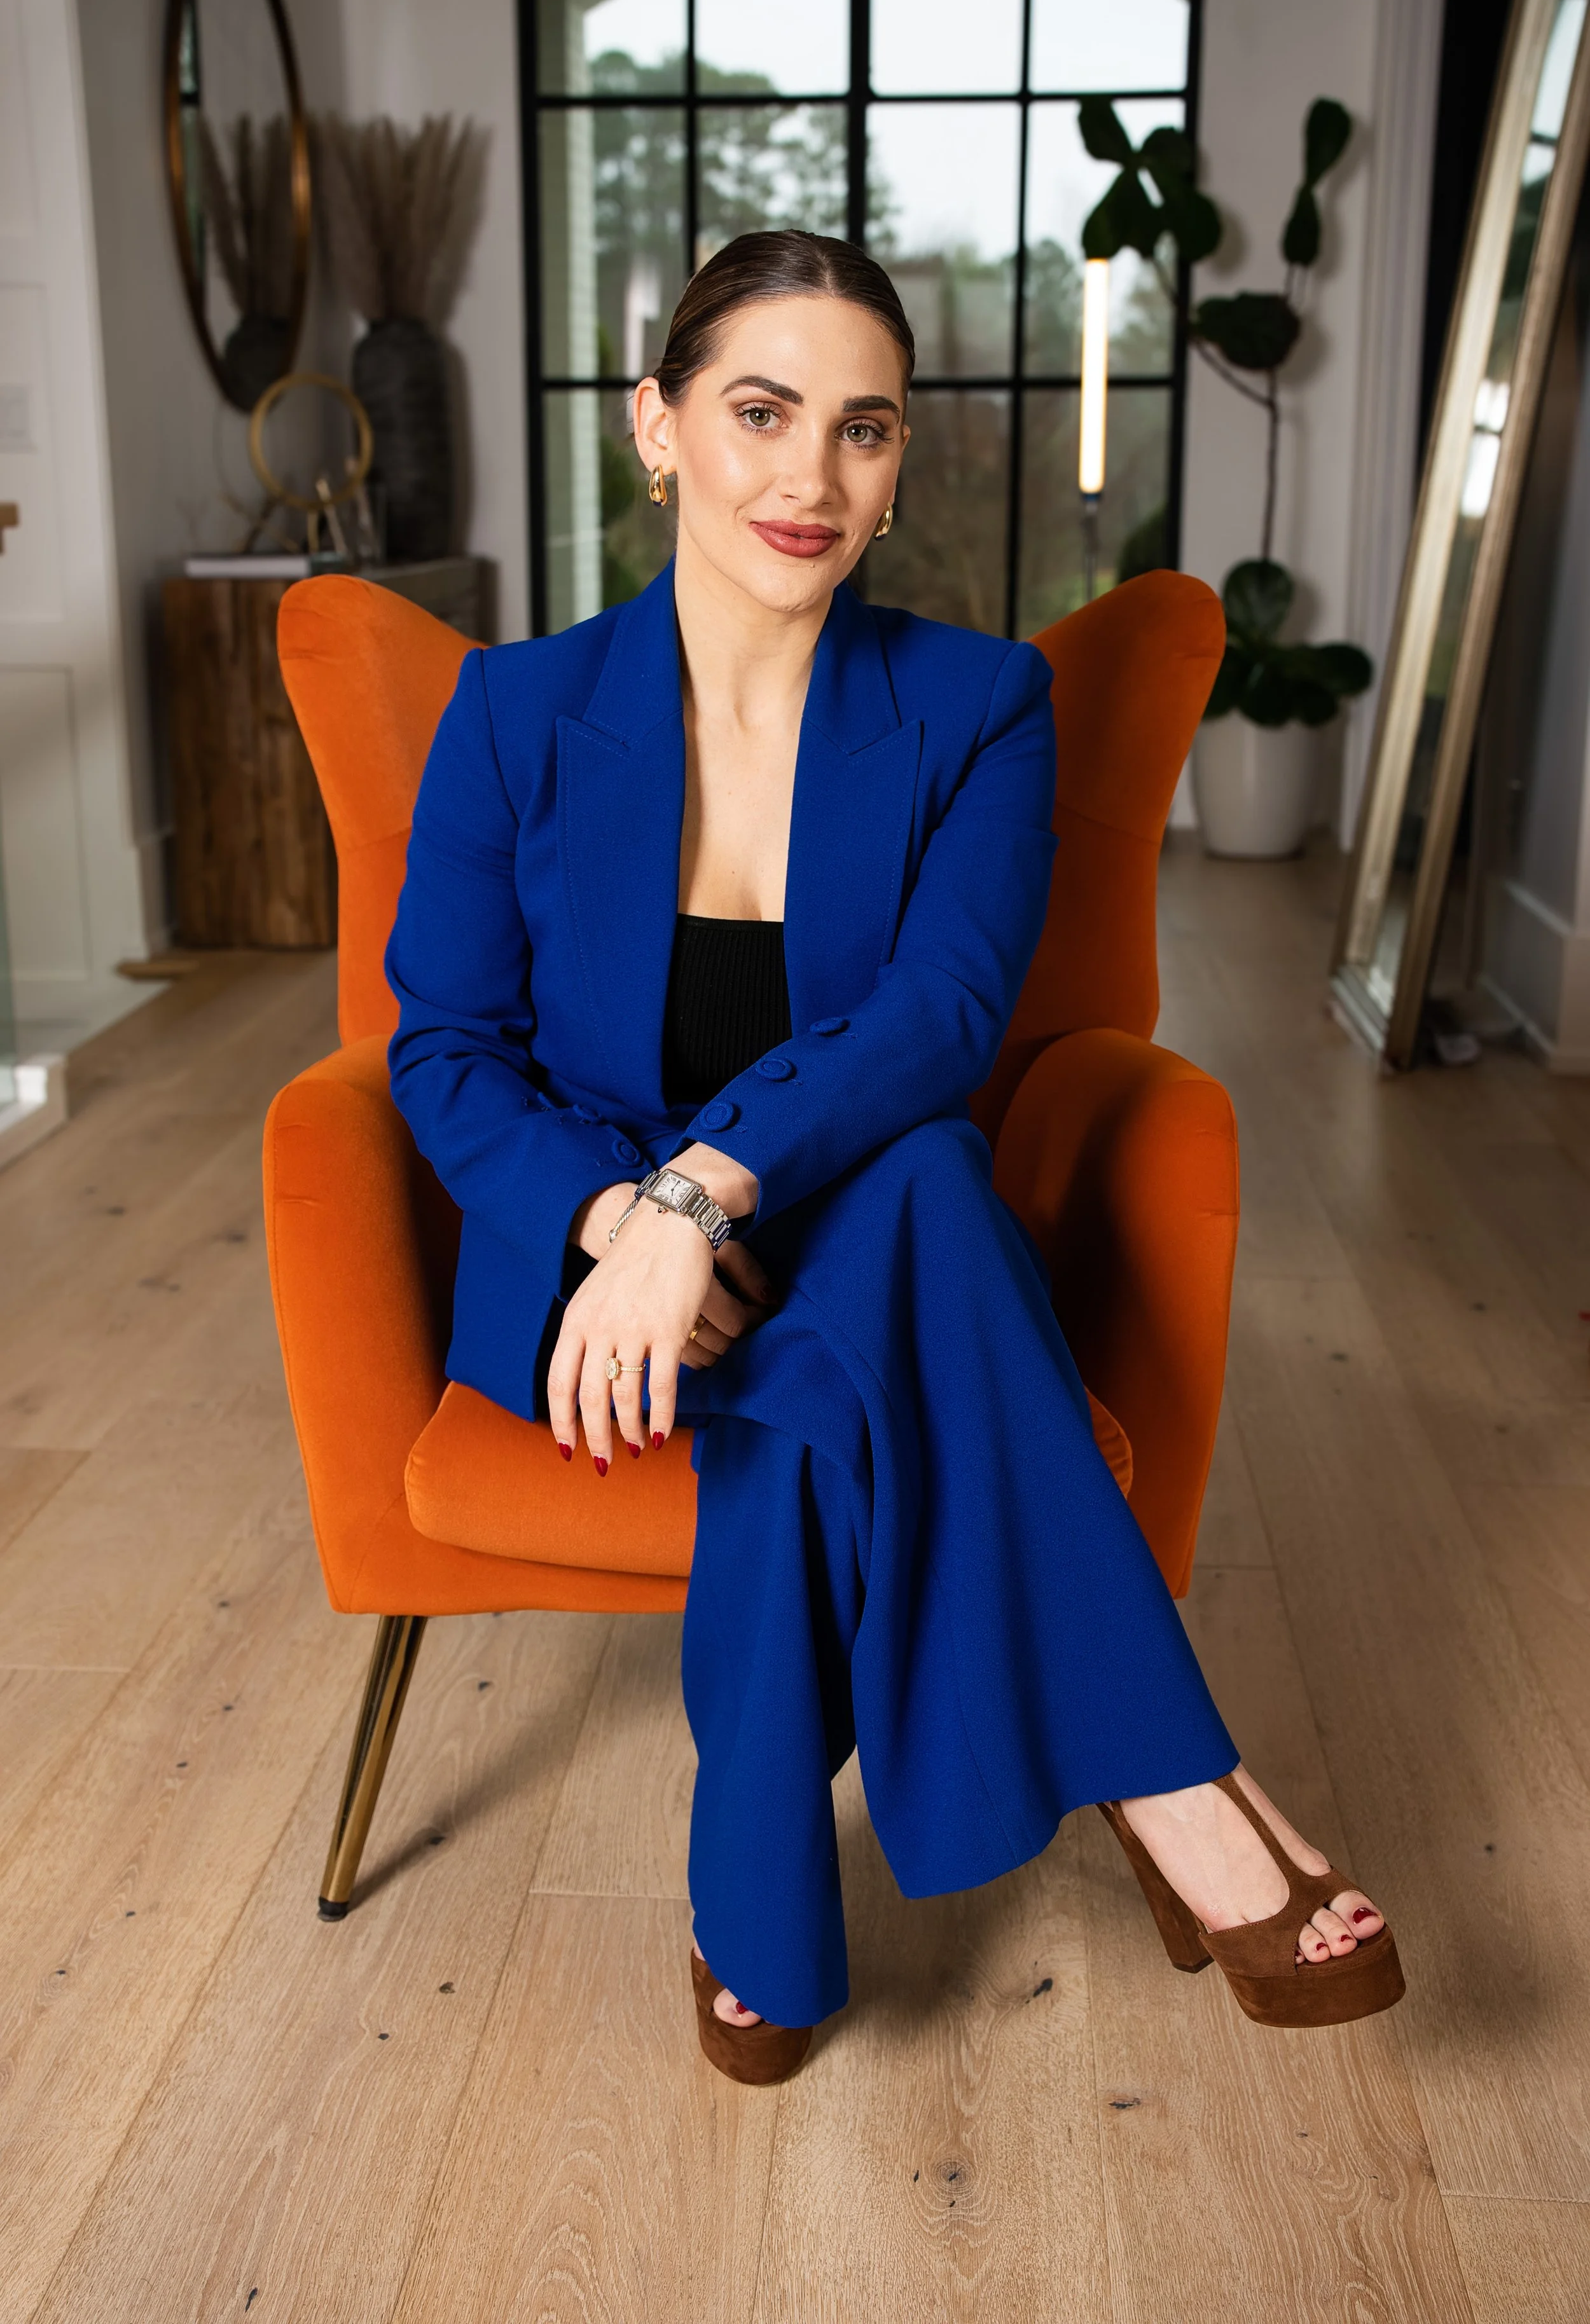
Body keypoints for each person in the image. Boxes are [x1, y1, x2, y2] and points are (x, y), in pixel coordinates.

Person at [385, 229, 1402, 2083]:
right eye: (759, 412)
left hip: (850, 1233)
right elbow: (443, 1052)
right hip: (606, 1289)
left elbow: (941, 1017)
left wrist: (710, 1194)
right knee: (908, 1249)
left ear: (897, 462)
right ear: (657, 428)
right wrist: (629, 1221)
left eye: (863, 430)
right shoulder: (517, 713)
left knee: (918, 1189)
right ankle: (1176, 1776)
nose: (810, 475)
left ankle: (764, 1893)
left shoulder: (973, 702)